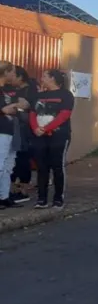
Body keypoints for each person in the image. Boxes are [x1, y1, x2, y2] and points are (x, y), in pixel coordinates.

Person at [29, 69, 74, 209]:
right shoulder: (38, 95)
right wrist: (36, 127)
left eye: (44, 76)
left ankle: (58, 198)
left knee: (57, 166)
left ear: (53, 79)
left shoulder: (66, 95)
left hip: (59, 136)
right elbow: (32, 113)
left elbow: (64, 115)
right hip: (39, 136)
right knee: (42, 167)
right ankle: (42, 199)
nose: (41, 78)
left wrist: (46, 128)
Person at [8, 66, 37, 205]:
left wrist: (14, 107)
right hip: (12, 129)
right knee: (12, 159)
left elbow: (27, 107)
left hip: (25, 131)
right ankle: (12, 188)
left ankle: (23, 190)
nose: (10, 78)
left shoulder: (30, 90)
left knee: (22, 159)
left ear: (20, 77)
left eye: (12, 75)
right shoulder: (10, 89)